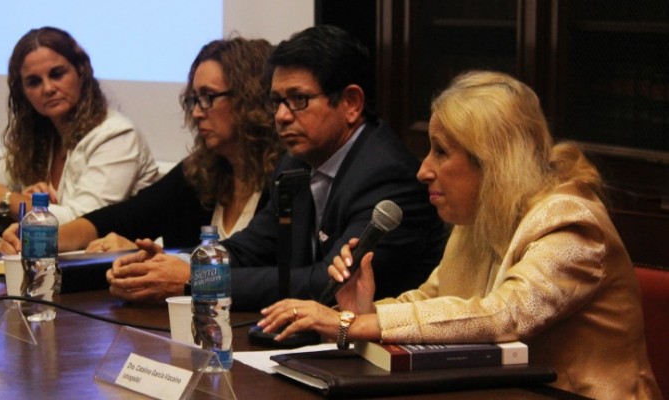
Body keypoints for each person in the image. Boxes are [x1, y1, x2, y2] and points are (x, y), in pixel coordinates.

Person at [257, 71, 661, 399]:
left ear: (493, 161)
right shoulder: (481, 217)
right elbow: (436, 300)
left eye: (441, 151)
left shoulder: (572, 223)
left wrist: (347, 325)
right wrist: (364, 309)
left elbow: (507, 315)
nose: (423, 170)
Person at [103, 25, 446, 311]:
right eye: (276, 102)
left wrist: (198, 280)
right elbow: (252, 246)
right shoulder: (295, 162)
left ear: (351, 103)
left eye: (298, 100)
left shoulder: (388, 176)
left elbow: (330, 282)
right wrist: (180, 264)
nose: (281, 116)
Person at [0, 37, 285, 254]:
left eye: (209, 97)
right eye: (194, 100)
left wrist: (164, 260)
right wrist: (42, 236)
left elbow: (266, 267)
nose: (197, 112)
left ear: (251, 99)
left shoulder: (288, 177)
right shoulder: (200, 172)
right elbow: (124, 217)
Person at [0, 26, 159, 225]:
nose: (48, 88)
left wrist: (10, 201)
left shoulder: (116, 134)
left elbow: (83, 222)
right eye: (34, 82)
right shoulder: (38, 138)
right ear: (23, 93)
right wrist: (18, 202)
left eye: (57, 74)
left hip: (122, 254)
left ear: (81, 73)